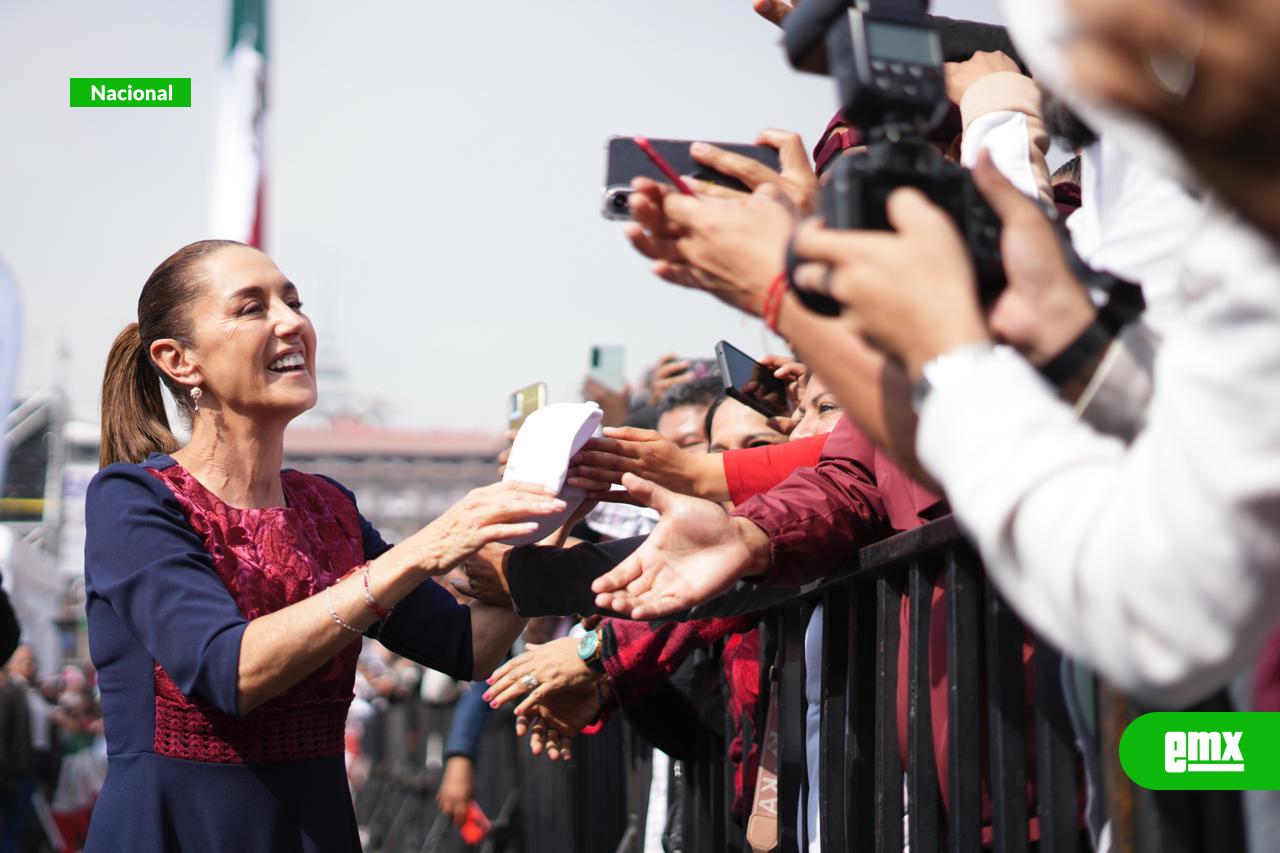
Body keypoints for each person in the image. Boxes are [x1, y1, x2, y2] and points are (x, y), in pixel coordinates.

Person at [83, 239, 565, 851]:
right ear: (179, 360)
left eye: (294, 302)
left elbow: (468, 647)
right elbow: (227, 669)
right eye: (252, 308)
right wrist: (421, 551)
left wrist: (544, 511)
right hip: (178, 832)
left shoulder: (327, 507)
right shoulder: (132, 498)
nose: (291, 322)